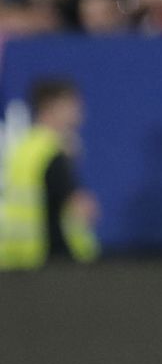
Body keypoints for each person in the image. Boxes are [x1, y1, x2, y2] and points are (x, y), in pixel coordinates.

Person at [0, 77, 98, 270]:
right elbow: (82, 208)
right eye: (72, 106)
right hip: (51, 263)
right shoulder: (52, 152)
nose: (79, 114)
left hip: (13, 259)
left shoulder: (22, 147)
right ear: (51, 107)